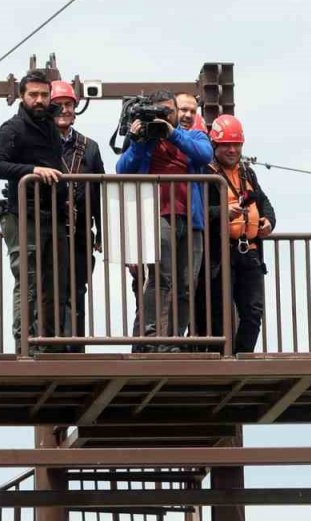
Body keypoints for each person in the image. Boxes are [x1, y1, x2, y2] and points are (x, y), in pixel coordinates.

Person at [115, 89, 213, 351]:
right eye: (158, 111)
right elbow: (122, 169)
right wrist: (137, 140)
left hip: (191, 220)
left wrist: (172, 132)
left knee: (186, 284)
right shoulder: (146, 140)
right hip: (157, 214)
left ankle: (173, 339)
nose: (163, 117)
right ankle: (151, 337)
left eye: (168, 111)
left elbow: (205, 154)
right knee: (162, 277)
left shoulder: (191, 135)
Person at [0, 69, 70, 354]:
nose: (39, 100)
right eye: (33, 94)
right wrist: (32, 170)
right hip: (22, 215)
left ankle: (49, 344)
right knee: (29, 281)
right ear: (22, 97)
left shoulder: (49, 126)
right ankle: (25, 344)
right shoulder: (12, 128)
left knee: (55, 284)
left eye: (44, 95)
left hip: (52, 216)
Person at [194, 114, 275, 353]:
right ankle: (221, 357)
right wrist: (222, 212)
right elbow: (198, 212)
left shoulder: (247, 173)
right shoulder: (205, 173)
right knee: (218, 310)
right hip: (221, 254)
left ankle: (243, 355)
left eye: (236, 144)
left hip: (249, 252)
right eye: (226, 144)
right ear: (215, 145)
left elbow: (263, 201)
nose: (232, 149)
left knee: (253, 310)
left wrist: (269, 220)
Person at [51, 80, 105, 350]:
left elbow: (99, 192)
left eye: (69, 105)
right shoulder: (39, 144)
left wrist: (103, 234)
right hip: (48, 229)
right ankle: (51, 348)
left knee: (76, 291)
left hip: (81, 231)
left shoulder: (90, 147)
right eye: (59, 105)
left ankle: (75, 350)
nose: (64, 110)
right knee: (50, 291)